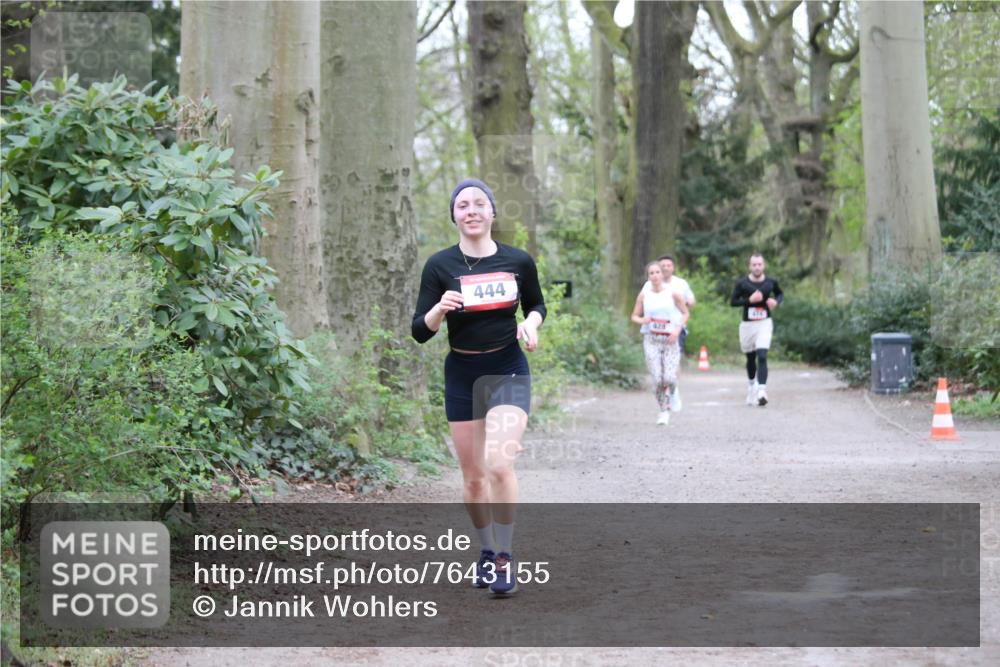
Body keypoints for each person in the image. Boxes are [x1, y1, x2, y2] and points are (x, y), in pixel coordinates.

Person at [411, 178, 545, 596]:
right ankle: (486, 550)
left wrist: (531, 324)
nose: (471, 210)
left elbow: (537, 304)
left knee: (499, 464)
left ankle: (505, 556)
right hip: (462, 375)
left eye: (479, 203)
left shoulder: (517, 261)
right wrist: (437, 310)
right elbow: (419, 331)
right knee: (472, 480)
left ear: (492, 212)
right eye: (463, 205)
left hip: (507, 368)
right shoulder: (439, 265)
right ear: (453, 214)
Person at [632, 261, 689, 425]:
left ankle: (673, 391)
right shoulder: (644, 294)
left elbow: (685, 313)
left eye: (658, 272)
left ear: (662, 275)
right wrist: (643, 319)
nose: (655, 276)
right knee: (657, 379)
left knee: (670, 378)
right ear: (648, 276)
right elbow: (634, 316)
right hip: (651, 339)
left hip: (670, 339)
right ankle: (663, 410)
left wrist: (677, 331)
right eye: (652, 273)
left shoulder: (673, 293)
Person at [640, 254, 696, 411]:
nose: (664, 268)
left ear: (673, 268)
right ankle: (667, 396)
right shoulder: (648, 286)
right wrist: (644, 320)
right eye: (661, 266)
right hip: (654, 333)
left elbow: (690, 302)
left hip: (675, 329)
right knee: (658, 372)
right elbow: (641, 306)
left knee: (671, 367)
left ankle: (673, 388)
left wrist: (686, 304)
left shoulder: (679, 284)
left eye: (668, 265)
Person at [730, 253, 783, 406]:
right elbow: (733, 302)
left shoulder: (771, 282)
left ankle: (762, 390)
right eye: (754, 265)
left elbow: (780, 294)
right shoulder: (742, 283)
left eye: (759, 264)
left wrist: (776, 301)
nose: (757, 267)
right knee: (750, 358)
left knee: (762, 354)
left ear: (764, 265)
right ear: (750, 266)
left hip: (764, 323)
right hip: (747, 325)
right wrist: (749, 301)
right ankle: (752, 385)